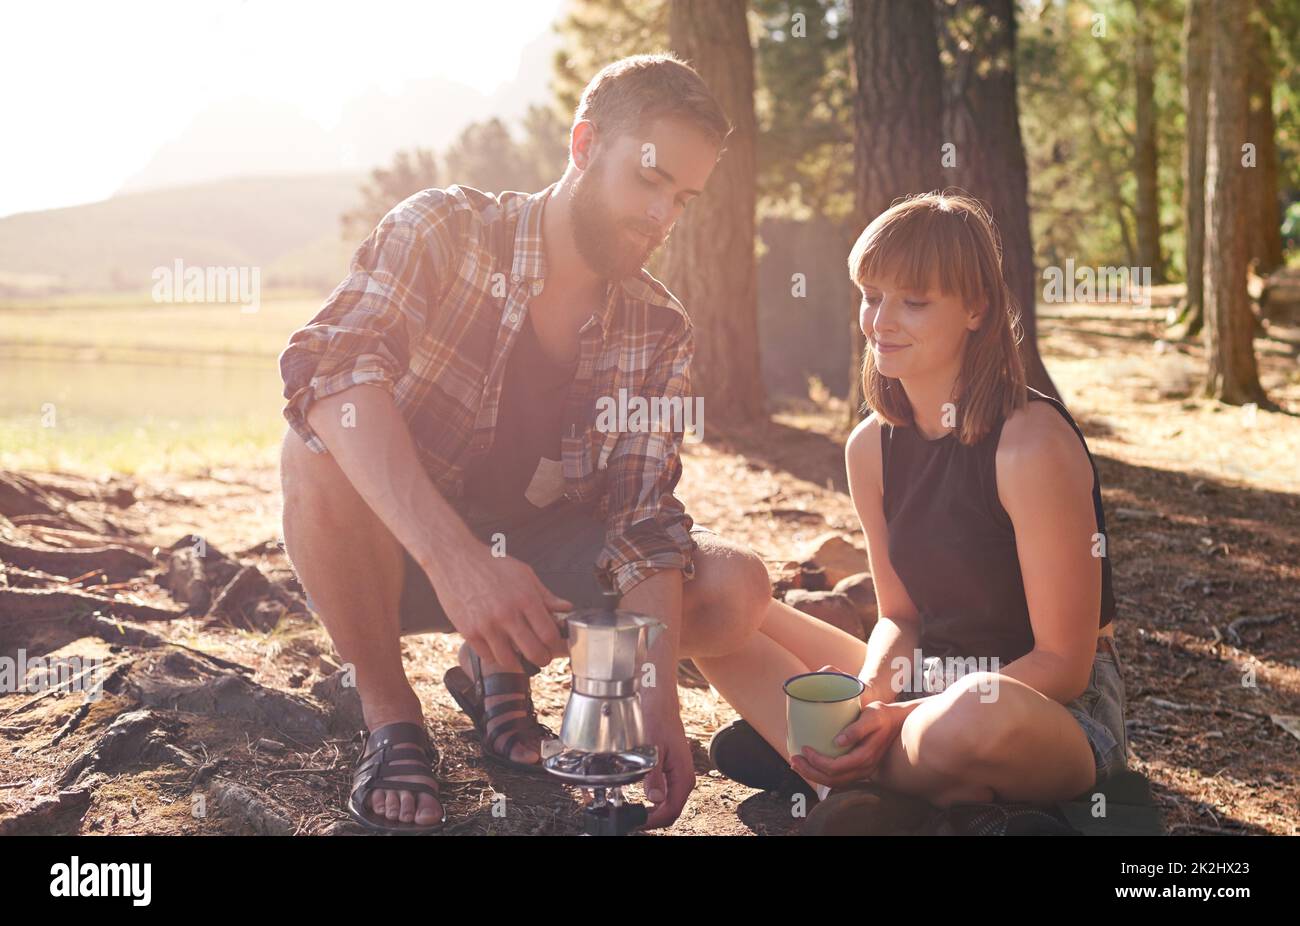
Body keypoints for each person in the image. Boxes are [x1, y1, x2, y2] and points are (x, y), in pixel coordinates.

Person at [278, 54, 773, 833]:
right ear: (583, 147)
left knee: (732, 589)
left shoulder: (660, 326)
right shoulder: (443, 228)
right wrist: (459, 562)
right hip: (391, 555)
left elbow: (643, 518)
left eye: (682, 198)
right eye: (648, 181)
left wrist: (655, 697)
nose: (661, 217)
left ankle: (496, 664)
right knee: (318, 438)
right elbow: (327, 370)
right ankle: (392, 714)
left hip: (535, 574)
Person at [700, 191, 1129, 827]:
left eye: (914, 302)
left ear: (977, 308)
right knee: (715, 601)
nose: (880, 321)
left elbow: (1064, 665)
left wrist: (899, 716)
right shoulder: (871, 446)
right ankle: (875, 784)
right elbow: (899, 616)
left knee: (972, 717)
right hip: (923, 683)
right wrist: (871, 693)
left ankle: (832, 772)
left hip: (1042, 710)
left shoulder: (1031, 444)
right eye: (871, 296)